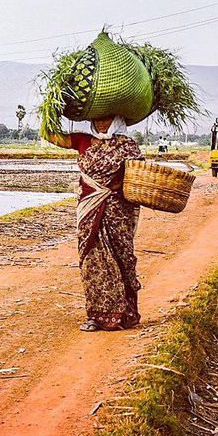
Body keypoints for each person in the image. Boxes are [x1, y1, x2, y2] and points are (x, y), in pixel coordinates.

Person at [45, 116, 144, 331]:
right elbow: (49, 135)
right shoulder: (83, 141)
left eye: (106, 120)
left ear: (117, 120)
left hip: (117, 211)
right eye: (97, 120)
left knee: (122, 258)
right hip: (89, 209)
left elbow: (139, 177)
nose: (101, 124)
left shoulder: (128, 146)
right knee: (92, 261)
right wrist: (52, 109)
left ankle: (124, 314)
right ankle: (97, 316)